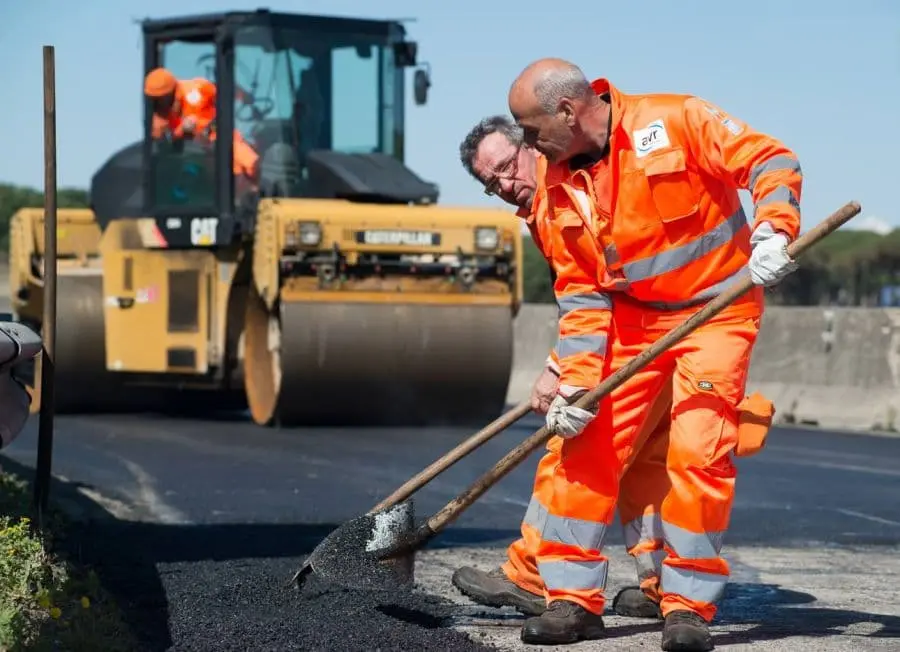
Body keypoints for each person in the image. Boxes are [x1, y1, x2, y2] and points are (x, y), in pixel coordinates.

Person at [506, 59, 797, 650]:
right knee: (585, 446)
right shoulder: (558, 184)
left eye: (532, 130)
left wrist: (774, 228)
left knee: (698, 454)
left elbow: (770, 158)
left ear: (567, 111)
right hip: (634, 323)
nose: (527, 145)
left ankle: (686, 607)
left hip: (717, 311)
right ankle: (570, 600)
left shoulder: (676, 118)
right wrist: (575, 386)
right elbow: (582, 294)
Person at [452, 114, 676, 622]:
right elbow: (584, 298)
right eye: (492, 183)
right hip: (656, 341)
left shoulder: (565, 197)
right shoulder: (545, 209)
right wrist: (559, 364)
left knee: (571, 455)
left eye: (507, 167)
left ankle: (534, 577)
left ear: (530, 147)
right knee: (650, 468)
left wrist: (565, 373)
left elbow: (601, 292)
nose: (506, 185)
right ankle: (665, 586)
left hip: (641, 341)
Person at [143, 67, 259, 183]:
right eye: (155, 99)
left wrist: (244, 96)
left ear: (171, 91)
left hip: (220, 140)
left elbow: (224, 94)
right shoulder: (158, 117)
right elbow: (162, 144)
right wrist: (179, 133)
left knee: (250, 164)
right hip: (193, 152)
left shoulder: (198, 88)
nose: (159, 102)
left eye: (161, 98)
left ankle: (255, 191)